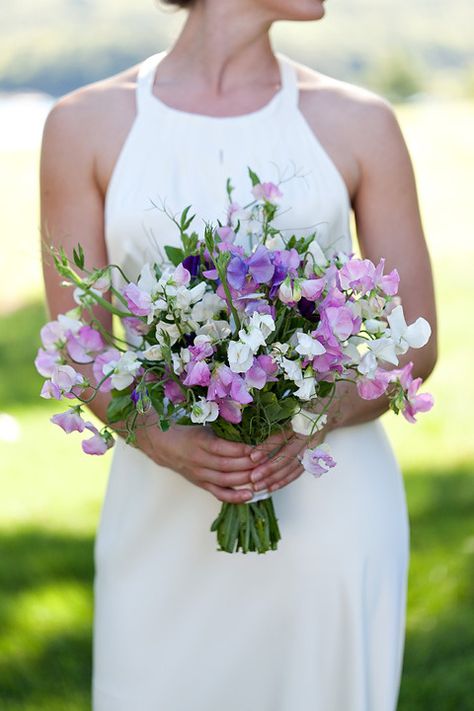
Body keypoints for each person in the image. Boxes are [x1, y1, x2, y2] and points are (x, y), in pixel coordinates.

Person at [39, 0, 437, 709]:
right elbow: (81, 344)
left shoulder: (359, 121)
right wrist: (162, 440)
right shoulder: (83, 125)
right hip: (158, 512)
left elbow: (417, 335)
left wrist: (318, 413)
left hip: (331, 506)